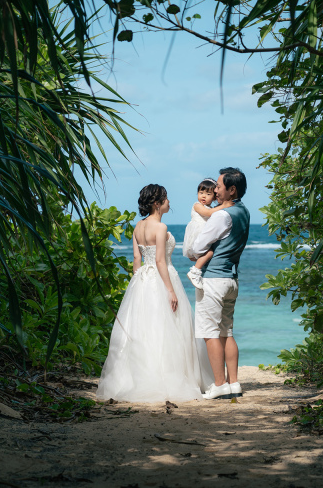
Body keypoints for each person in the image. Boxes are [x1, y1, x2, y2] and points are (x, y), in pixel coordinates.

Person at [96, 184, 214, 402]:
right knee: (168, 329)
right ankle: (166, 378)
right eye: (166, 199)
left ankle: (138, 376)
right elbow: (160, 261)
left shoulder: (138, 227)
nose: (169, 202)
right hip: (162, 278)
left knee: (145, 328)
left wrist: (138, 282)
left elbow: (137, 259)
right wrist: (170, 290)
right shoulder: (160, 227)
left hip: (142, 280)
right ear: (157, 204)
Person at [190, 168, 250, 400]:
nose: (215, 190)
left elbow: (197, 247)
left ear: (231, 189)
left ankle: (219, 385)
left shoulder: (221, 215)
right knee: (227, 331)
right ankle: (233, 383)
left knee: (210, 333)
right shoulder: (243, 211)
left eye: (218, 186)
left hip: (214, 279)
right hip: (231, 279)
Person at [182, 178, 232, 289]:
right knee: (209, 253)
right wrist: (224, 205)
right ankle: (195, 271)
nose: (203, 196)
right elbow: (208, 213)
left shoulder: (212, 208)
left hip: (203, 233)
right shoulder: (197, 205)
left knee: (205, 254)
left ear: (214, 197)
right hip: (198, 232)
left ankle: (199, 270)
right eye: (201, 193)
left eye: (208, 194)